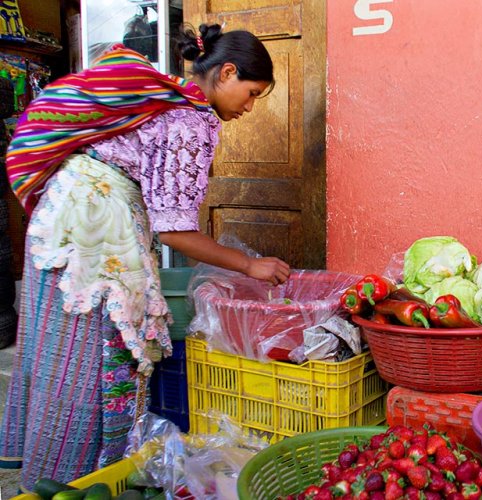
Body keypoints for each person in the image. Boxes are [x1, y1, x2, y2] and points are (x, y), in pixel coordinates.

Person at [0, 23, 290, 491]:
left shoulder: (168, 100)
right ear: (227, 72)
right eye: (251, 93)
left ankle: (44, 477)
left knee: (59, 350)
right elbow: (174, 230)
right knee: (93, 360)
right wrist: (250, 266)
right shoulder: (191, 119)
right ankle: (82, 481)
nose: (250, 107)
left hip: (64, 218)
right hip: (96, 235)